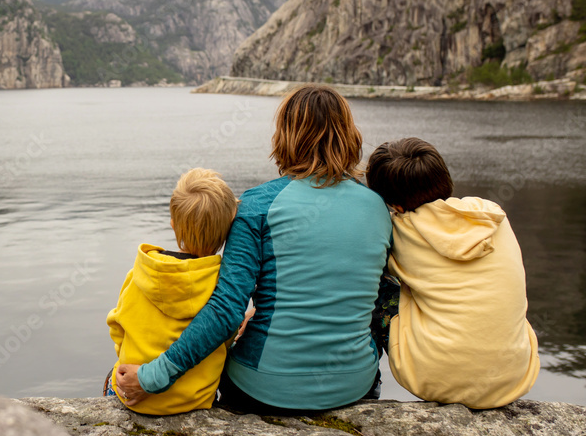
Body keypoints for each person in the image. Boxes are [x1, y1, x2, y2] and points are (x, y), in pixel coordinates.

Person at [117, 84, 393, 413]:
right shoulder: (377, 207)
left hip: (263, 389)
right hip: (354, 385)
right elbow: (375, 300)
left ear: (286, 135)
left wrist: (151, 377)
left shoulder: (256, 205)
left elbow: (226, 311)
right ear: (348, 135)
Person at [365, 137, 540, 409]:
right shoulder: (491, 216)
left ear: (395, 205)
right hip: (514, 375)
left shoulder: (398, 233)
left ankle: (366, 385)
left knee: (374, 284)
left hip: (437, 378)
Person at [105, 168, 238, 414]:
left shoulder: (140, 273)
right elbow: (224, 337)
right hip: (193, 401)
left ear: (173, 225)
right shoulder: (224, 288)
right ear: (229, 229)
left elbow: (117, 326)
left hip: (134, 396)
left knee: (108, 378)